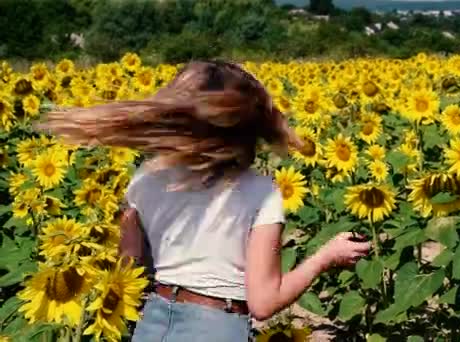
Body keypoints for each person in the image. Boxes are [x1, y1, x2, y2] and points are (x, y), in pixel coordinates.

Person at [37, 60, 372, 341]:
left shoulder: (145, 178)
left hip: (152, 326)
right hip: (216, 327)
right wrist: (324, 257)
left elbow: (129, 271)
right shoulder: (261, 192)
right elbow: (264, 303)